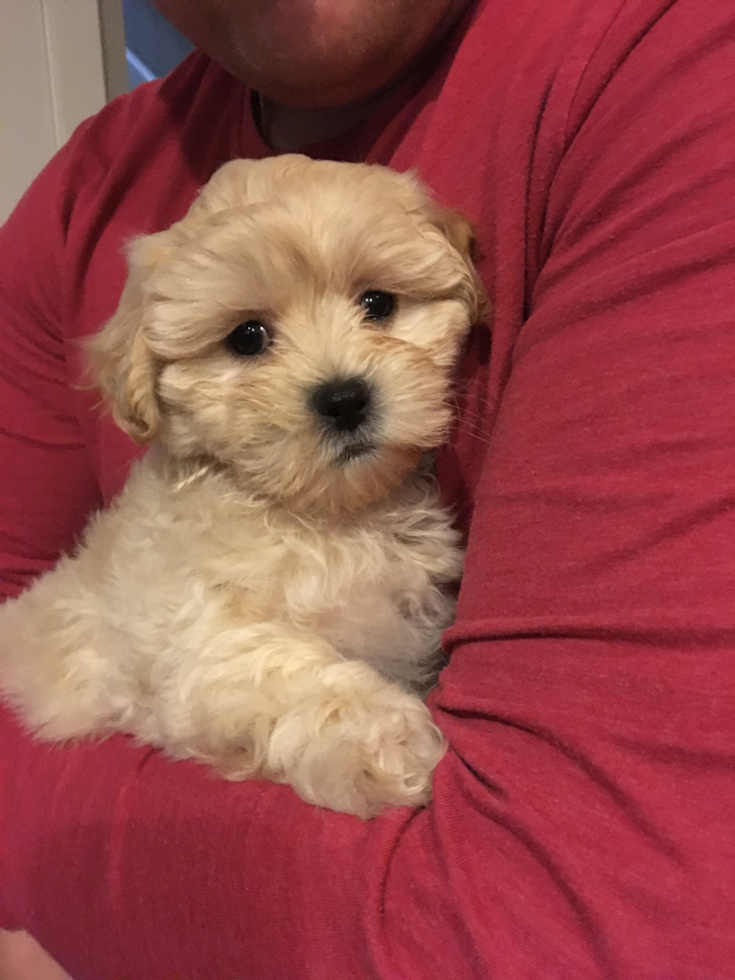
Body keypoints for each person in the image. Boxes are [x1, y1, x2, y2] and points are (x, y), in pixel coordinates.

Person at [1, 0, 734, 977]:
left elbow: (557, 904)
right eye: (249, 337)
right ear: (149, 386)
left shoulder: (654, 55)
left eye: (379, 304)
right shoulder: (76, 201)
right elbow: (197, 662)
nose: (336, 374)